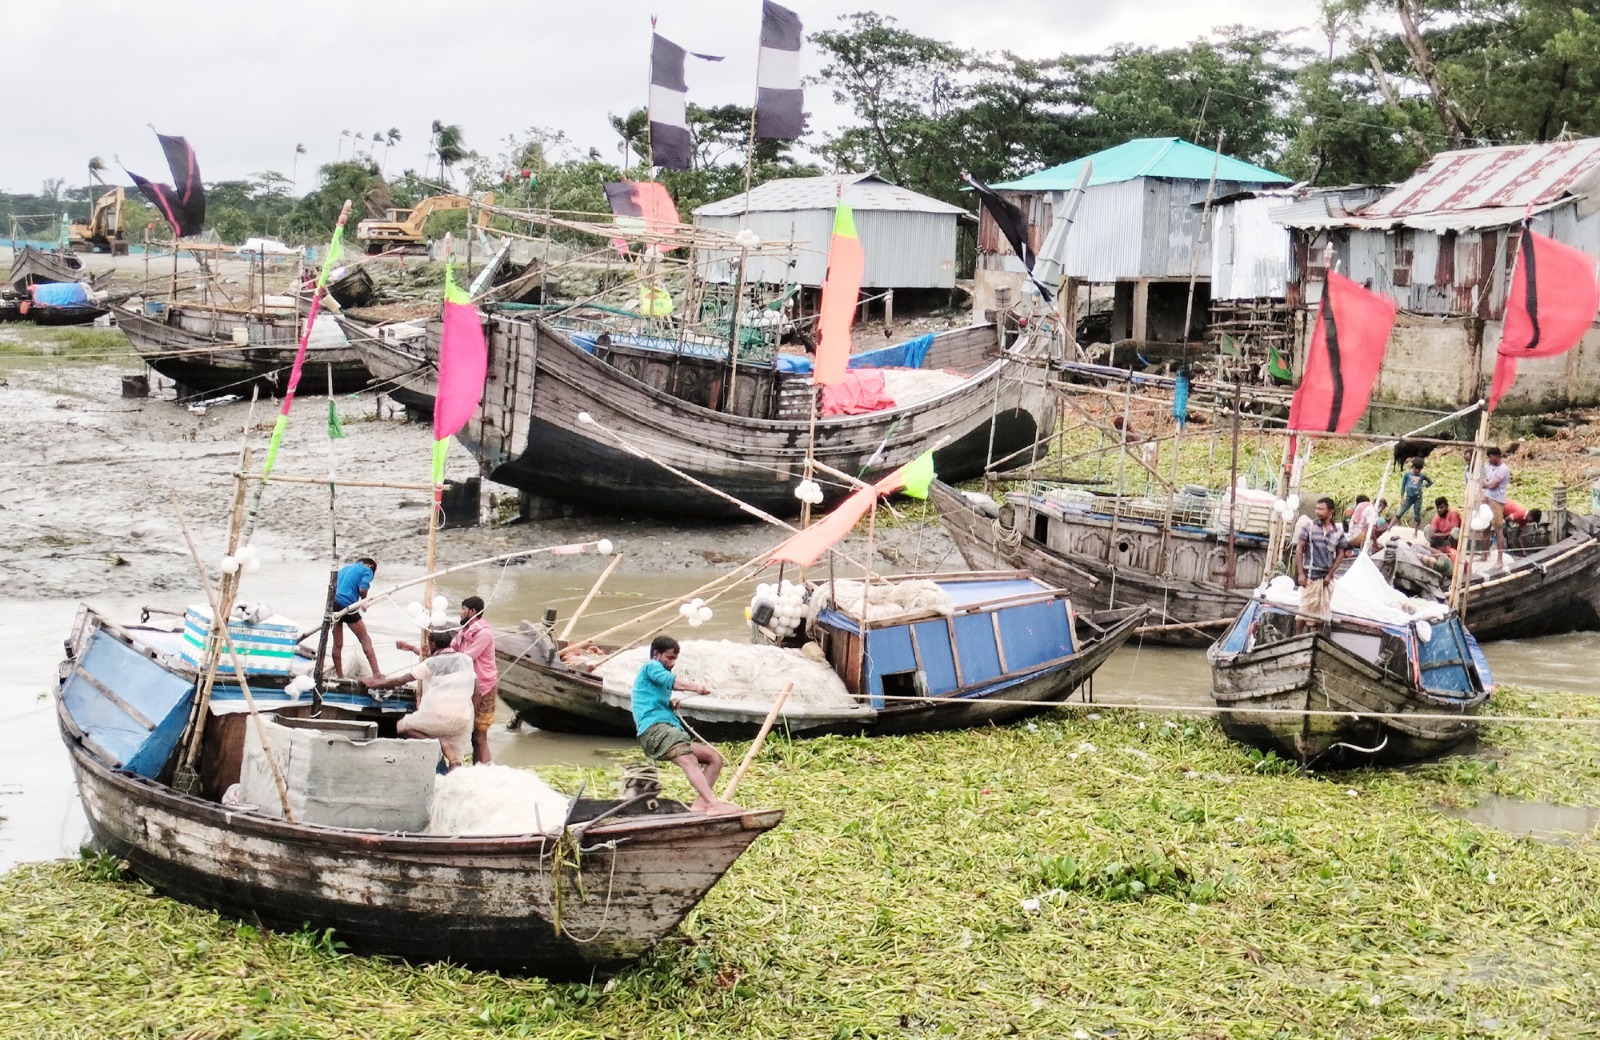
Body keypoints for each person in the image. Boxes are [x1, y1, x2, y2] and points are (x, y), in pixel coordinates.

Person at [632, 636, 739, 815]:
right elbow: (672, 681)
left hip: (666, 730)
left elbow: (651, 698)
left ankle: (700, 804)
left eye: (675, 659)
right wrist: (695, 687)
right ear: (656, 654)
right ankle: (714, 804)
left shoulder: (656, 675)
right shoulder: (652, 666)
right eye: (669, 658)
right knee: (690, 760)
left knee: (714, 758)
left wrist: (669, 704)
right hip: (656, 730)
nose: (672, 663)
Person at [398, 595, 498, 765]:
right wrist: (413, 649)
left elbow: (463, 658)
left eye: (463, 609)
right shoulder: (464, 632)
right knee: (468, 734)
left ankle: (482, 773)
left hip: (484, 687)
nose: (461, 613)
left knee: (479, 736)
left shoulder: (484, 634)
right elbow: (447, 653)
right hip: (467, 689)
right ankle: (470, 769)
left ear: (472, 611)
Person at [363, 626, 476, 770]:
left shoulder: (430, 664)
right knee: (456, 760)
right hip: (464, 717)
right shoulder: (466, 660)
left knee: (402, 726)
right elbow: (475, 687)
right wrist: (411, 648)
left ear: (433, 644)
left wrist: (376, 683)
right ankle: (455, 787)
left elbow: (400, 681)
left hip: (438, 715)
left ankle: (436, 745)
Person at [1295, 496, 1351, 627]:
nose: (1317, 512)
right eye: (1316, 508)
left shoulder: (1338, 531)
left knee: (1322, 612)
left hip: (1326, 577)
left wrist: (1330, 574)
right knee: (1304, 610)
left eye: (1321, 509)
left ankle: (1316, 640)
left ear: (1331, 511)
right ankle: (1297, 639)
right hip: (1310, 574)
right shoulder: (1309, 526)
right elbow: (1299, 549)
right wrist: (1301, 573)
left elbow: (1341, 553)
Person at [331, 557, 381, 679]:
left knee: (337, 644)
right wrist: (364, 600)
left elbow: (335, 587)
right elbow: (363, 588)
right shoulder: (367, 570)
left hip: (333, 604)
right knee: (365, 639)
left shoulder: (344, 569)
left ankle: (340, 676)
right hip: (348, 606)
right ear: (370, 566)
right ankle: (377, 674)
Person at [1482, 446, 1511, 563]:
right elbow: (1483, 482)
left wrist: (1486, 483)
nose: (1489, 459)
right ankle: (1484, 555)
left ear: (1498, 456)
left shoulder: (1503, 469)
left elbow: (1491, 485)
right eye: (1488, 457)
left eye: (1491, 456)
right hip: (1487, 499)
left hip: (1497, 501)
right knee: (1485, 528)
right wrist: (1485, 483)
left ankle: (1500, 560)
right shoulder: (1489, 468)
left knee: (1498, 530)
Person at [1398, 458, 1433, 528]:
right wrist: (1402, 497)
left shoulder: (1422, 476)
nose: (1417, 471)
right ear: (1412, 467)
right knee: (1400, 512)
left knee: (1417, 514)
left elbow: (1430, 482)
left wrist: (1424, 486)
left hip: (1418, 498)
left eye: (1419, 470)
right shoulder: (1407, 475)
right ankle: (1389, 527)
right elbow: (1403, 486)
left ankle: (1416, 530)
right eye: (1415, 469)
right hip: (1408, 497)